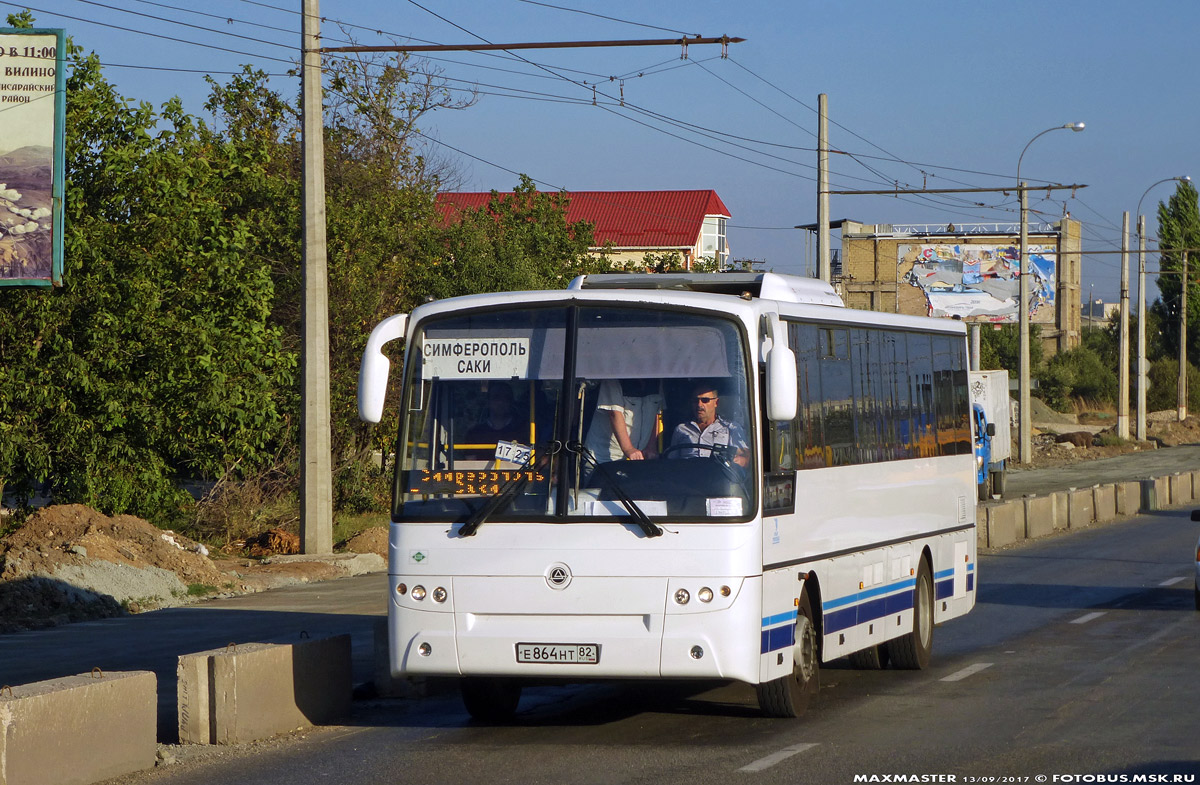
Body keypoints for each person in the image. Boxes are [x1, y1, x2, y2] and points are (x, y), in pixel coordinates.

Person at [669, 381, 749, 467]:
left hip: (718, 477)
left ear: (716, 403)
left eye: (705, 400)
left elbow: (745, 457)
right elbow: (672, 463)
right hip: (687, 476)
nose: (699, 405)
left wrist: (734, 462)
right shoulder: (681, 429)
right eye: (695, 401)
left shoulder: (731, 428)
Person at [584, 378, 663, 462]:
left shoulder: (657, 381)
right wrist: (629, 449)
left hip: (638, 457)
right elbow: (614, 414)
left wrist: (651, 447)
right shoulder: (613, 379)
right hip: (602, 457)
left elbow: (655, 414)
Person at [465, 382, 526, 446]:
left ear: (511, 402)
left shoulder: (523, 431)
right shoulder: (475, 433)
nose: (501, 402)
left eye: (506, 398)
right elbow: (470, 456)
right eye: (496, 397)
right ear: (488, 401)